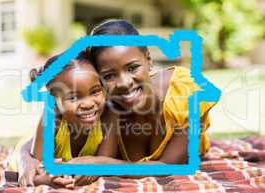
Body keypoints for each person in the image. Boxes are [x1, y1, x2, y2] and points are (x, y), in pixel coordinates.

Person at [88, 19, 217, 163]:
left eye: (132, 68)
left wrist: (103, 163)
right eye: (109, 76)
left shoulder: (186, 91)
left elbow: (168, 165)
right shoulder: (107, 107)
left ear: (149, 60)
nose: (124, 83)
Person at [12, 51, 120, 188]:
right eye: (73, 97)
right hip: (28, 145)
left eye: (95, 91)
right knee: (23, 147)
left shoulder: (108, 117)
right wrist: (46, 181)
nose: (88, 104)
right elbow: (34, 171)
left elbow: (103, 162)